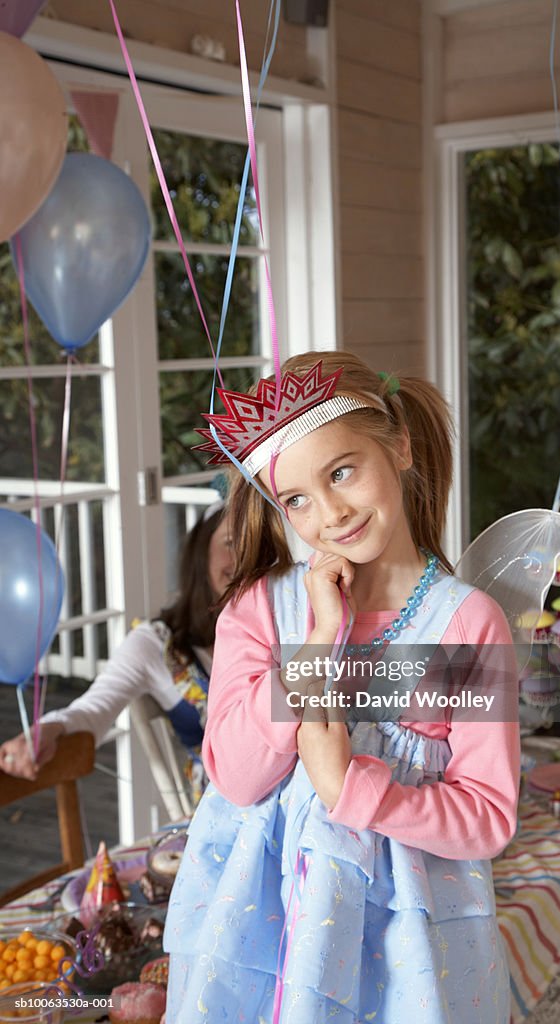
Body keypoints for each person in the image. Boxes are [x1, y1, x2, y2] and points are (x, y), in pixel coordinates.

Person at [165, 351, 520, 1024]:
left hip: (409, 956)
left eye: (342, 471)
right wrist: (318, 640)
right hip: (262, 946)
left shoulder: (465, 623)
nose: (328, 512)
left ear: (400, 447)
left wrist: (351, 787)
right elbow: (237, 779)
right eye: (296, 498)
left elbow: (486, 817)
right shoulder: (262, 610)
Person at [0, 505, 233, 804]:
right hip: (222, 819)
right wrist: (48, 728)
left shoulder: (291, 628)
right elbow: (94, 708)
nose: (247, 557)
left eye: (260, 546)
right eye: (231, 542)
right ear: (202, 552)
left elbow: (306, 712)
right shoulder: (157, 644)